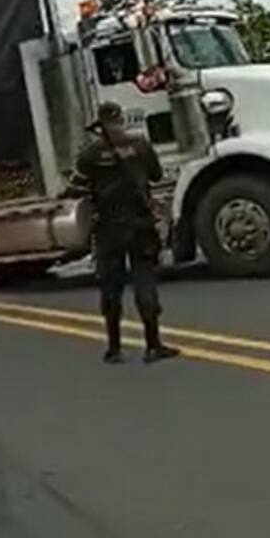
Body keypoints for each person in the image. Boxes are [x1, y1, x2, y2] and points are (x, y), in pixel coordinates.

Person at [71, 101, 179, 364]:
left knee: (111, 286)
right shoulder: (140, 144)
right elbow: (155, 175)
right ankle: (153, 346)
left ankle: (114, 348)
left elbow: (77, 183)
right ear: (121, 118)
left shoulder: (91, 153)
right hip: (139, 222)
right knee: (144, 280)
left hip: (108, 227)